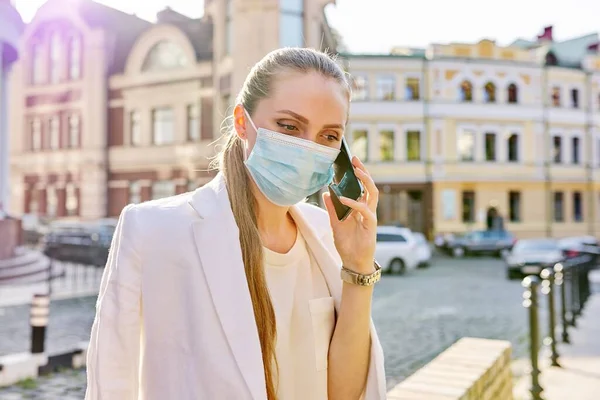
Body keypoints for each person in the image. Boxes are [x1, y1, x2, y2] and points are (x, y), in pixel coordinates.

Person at [85, 47, 386, 400]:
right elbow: (112, 383)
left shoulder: (327, 237)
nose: (308, 148)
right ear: (243, 122)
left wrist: (358, 265)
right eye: (289, 126)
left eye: (329, 136)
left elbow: (345, 393)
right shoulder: (154, 231)